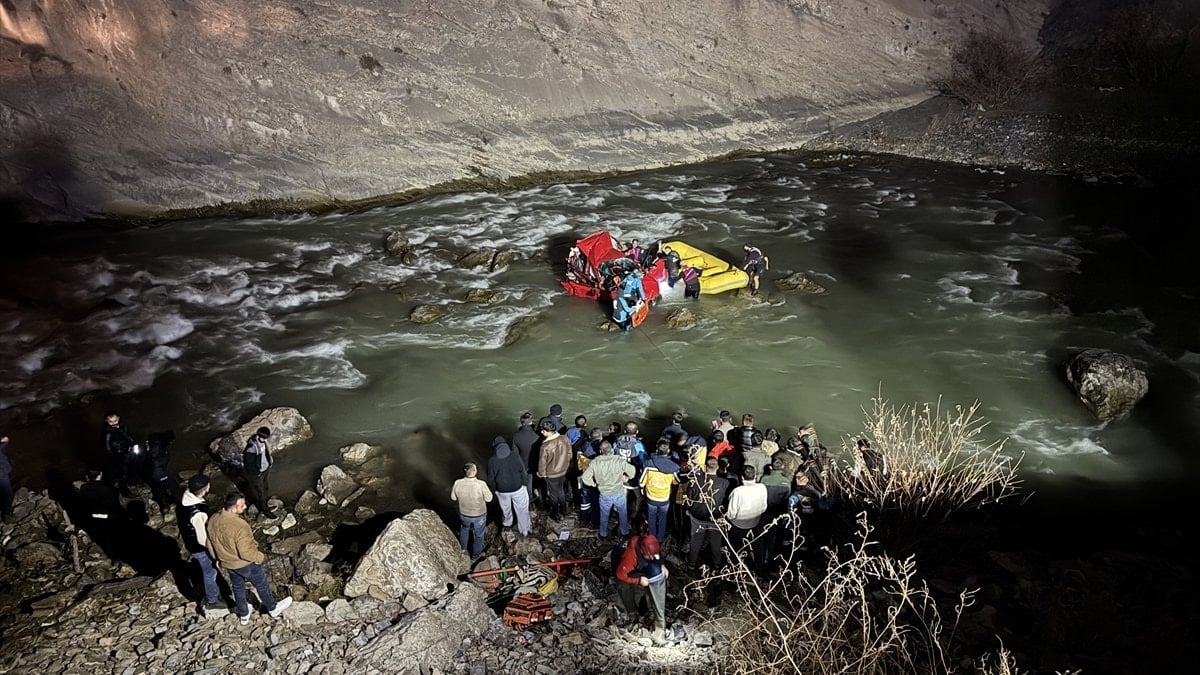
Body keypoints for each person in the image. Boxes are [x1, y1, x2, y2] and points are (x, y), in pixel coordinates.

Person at [206, 491, 292, 625]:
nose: (245, 507)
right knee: (261, 585)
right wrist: (259, 556)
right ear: (233, 508)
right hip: (244, 563)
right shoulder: (240, 526)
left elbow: (209, 543)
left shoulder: (213, 519)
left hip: (228, 563)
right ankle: (273, 608)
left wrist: (217, 558)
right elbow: (245, 552)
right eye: (242, 505)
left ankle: (244, 614)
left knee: (237, 588)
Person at [177, 475, 226, 614]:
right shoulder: (198, 513)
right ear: (204, 489)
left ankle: (213, 595)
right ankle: (213, 600)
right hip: (199, 548)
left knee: (208, 571)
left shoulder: (184, 499)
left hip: (189, 542)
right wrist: (215, 552)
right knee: (210, 572)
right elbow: (202, 539)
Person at [614, 523, 669, 643]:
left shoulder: (649, 543)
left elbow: (656, 557)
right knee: (623, 586)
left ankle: (658, 621)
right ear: (643, 552)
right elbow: (620, 574)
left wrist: (662, 565)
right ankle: (633, 614)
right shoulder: (630, 557)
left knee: (658, 575)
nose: (653, 557)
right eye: (650, 556)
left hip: (640, 566)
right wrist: (638, 580)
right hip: (625, 571)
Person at [581, 441, 636, 540]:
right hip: (618, 492)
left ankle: (603, 534)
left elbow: (585, 478)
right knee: (622, 513)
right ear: (611, 450)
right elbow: (632, 471)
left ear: (600, 451)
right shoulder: (619, 460)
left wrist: (593, 484)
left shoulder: (595, 462)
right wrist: (627, 478)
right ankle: (625, 532)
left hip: (604, 494)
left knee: (604, 515)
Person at [686, 457, 729, 569]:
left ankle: (692, 562)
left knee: (696, 539)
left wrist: (689, 510)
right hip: (715, 517)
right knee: (716, 541)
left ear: (705, 467)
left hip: (697, 516)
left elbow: (689, 499)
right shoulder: (724, 483)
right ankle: (716, 564)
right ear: (718, 467)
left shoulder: (695, 482)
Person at [725, 465, 768, 570]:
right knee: (757, 544)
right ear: (755, 476)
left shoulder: (737, 492)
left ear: (742, 477)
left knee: (736, 546)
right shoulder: (762, 487)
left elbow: (731, 513)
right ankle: (758, 567)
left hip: (739, 525)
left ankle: (736, 566)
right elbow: (764, 507)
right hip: (756, 522)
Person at [78, 468, 123, 566]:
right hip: (109, 518)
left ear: (87, 477)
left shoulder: (84, 488)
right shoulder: (109, 489)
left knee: (105, 540)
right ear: (101, 475)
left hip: (93, 518)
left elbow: (83, 505)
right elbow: (116, 506)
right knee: (115, 538)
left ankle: (114, 559)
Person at [487, 436, 530, 536]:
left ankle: (507, 524)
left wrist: (495, 489)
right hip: (517, 487)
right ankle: (524, 529)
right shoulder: (514, 455)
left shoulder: (492, 460)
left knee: (505, 508)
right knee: (522, 508)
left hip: (502, 490)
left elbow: (490, 478)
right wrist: (524, 483)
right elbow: (522, 471)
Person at [451, 462, 494, 559]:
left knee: (464, 530)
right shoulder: (481, 484)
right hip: (479, 515)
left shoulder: (458, 483)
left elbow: (453, 497)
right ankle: (475, 556)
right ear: (474, 471)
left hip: (464, 514)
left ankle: (463, 551)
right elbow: (489, 498)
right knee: (479, 535)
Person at [640, 439, 679, 544]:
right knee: (663, 518)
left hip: (651, 498)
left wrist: (642, 488)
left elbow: (641, 482)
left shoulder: (649, 464)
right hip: (664, 498)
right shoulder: (672, 466)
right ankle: (660, 538)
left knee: (651, 518)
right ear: (668, 451)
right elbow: (676, 481)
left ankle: (652, 538)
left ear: (657, 450)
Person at [536, 419, 572, 521]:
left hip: (552, 474)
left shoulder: (545, 445)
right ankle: (564, 509)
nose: (541, 432)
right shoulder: (564, 438)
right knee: (561, 490)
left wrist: (541, 473)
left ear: (548, 431)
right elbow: (569, 453)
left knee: (553, 494)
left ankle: (556, 513)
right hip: (563, 470)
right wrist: (568, 466)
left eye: (543, 431)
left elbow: (542, 462)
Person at [241, 427, 275, 518]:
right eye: (263, 438)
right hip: (258, 473)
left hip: (265, 469)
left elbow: (266, 453)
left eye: (266, 438)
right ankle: (266, 511)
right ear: (258, 436)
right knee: (261, 492)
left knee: (266, 488)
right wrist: (257, 473)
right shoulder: (252, 447)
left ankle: (265, 505)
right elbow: (248, 464)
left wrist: (269, 463)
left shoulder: (264, 441)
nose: (265, 440)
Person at [102, 411, 139, 494]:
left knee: (130, 468)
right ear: (106, 421)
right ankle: (125, 491)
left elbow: (128, 437)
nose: (113, 423)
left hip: (126, 453)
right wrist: (113, 457)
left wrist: (133, 445)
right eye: (110, 422)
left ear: (118, 418)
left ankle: (131, 482)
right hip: (117, 456)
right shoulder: (108, 432)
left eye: (115, 421)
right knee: (121, 473)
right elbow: (107, 447)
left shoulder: (122, 427)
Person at [512, 412, 539, 502]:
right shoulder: (537, 435)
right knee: (536, 481)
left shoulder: (516, 435)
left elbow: (515, 454)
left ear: (521, 422)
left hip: (524, 463)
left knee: (528, 483)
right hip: (536, 462)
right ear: (531, 422)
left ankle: (529, 500)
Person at [0, 435, 13, 522]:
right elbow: (5, 441)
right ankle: (6, 515)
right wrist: (4, 441)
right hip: (2, 474)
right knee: (7, 494)